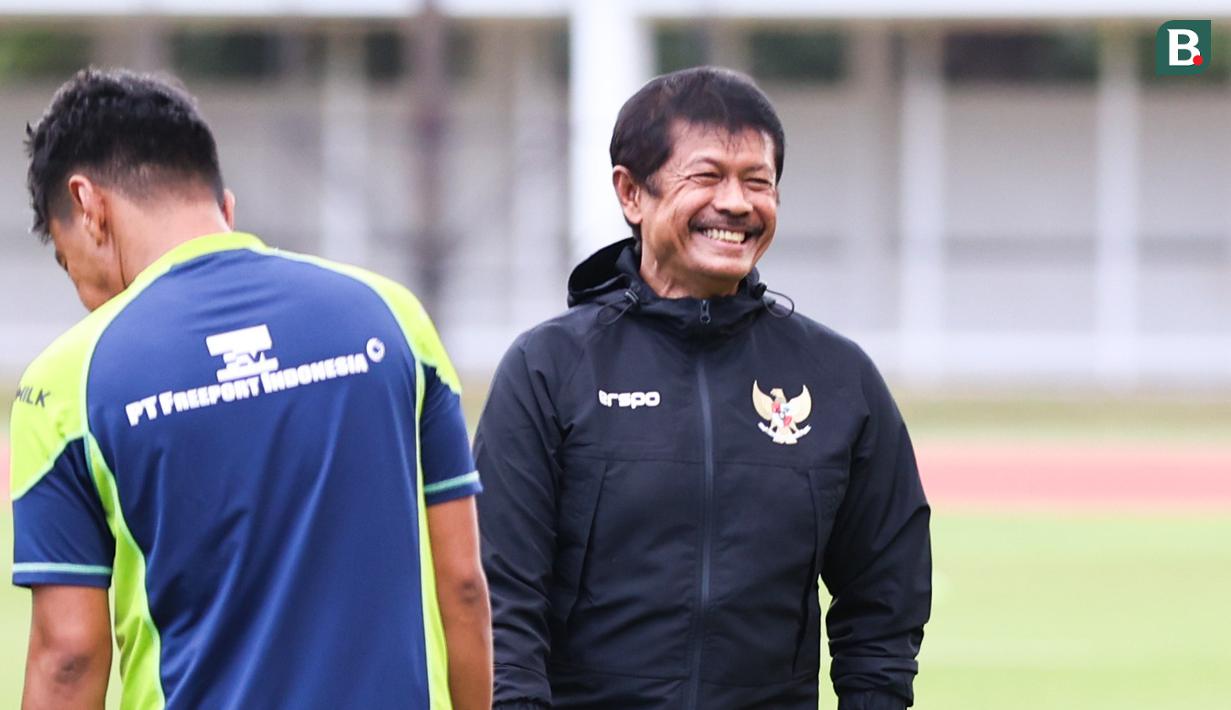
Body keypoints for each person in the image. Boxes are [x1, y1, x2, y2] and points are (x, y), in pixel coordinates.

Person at [10, 68, 490, 709]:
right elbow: (463, 587)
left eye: (73, 267)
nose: (88, 298)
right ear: (223, 208)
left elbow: (68, 656)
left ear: (89, 206)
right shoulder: (394, 318)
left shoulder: (66, 383)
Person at [474, 66, 930, 709]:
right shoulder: (549, 370)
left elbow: (884, 605)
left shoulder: (838, 378)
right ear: (632, 193)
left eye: (758, 182)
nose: (738, 204)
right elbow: (503, 605)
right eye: (707, 176)